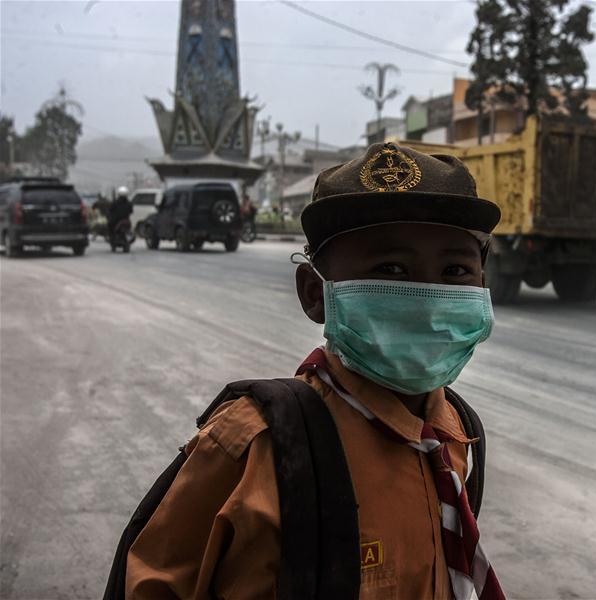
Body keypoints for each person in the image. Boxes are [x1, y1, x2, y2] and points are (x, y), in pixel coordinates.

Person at [123, 143, 505, 599]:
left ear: (482, 285)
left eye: (455, 270)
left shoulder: (456, 435)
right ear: (313, 293)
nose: (426, 296)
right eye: (390, 269)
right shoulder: (257, 449)